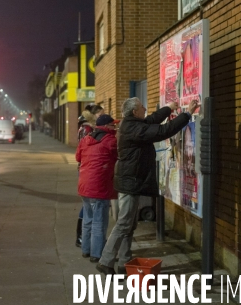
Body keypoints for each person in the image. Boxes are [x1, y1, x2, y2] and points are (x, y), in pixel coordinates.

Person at [96, 97, 199, 275]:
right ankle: (105, 261)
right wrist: (187, 114)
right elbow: (162, 131)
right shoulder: (133, 128)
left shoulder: (132, 123)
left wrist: (168, 109)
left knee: (129, 224)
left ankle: (124, 262)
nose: (145, 109)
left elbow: (151, 120)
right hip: (130, 182)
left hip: (131, 181)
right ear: (135, 111)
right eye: (142, 107)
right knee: (124, 223)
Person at [76, 114, 119, 262]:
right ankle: (97, 254)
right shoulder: (110, 140)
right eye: (113, 125)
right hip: (99, 187)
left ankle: (86, 250)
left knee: (88, 219)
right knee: (99, 222)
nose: (115, 127)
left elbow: (78, 158)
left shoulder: (85, 139)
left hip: (84, 185)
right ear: (107, 127)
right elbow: (119, 155)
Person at [75, 104, 95, 247]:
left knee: (87, 204)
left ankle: (82, 237)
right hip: (88, 169)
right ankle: (81, 236)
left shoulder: (83, 127)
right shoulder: (87, 129)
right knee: (88, 205)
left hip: (84, 168)